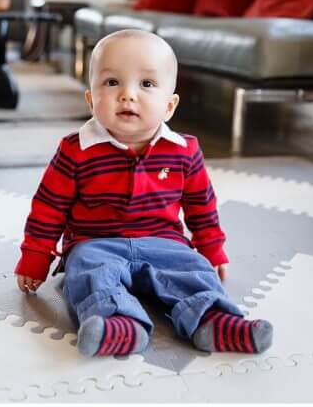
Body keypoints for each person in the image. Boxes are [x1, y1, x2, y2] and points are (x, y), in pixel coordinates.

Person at [16, 28, 271, 360]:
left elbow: (201, 207)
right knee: (87, 273)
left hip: (164, 242)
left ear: (169, 106)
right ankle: (118, 324)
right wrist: (36, 258)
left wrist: (212, 250)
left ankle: (213, 320)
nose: (128, 95)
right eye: (111, 83)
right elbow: (48, 208)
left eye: (146, 84)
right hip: (95, 243)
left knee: (193, 270)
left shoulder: (184, 151)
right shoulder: (75, 151)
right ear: (91, 100)